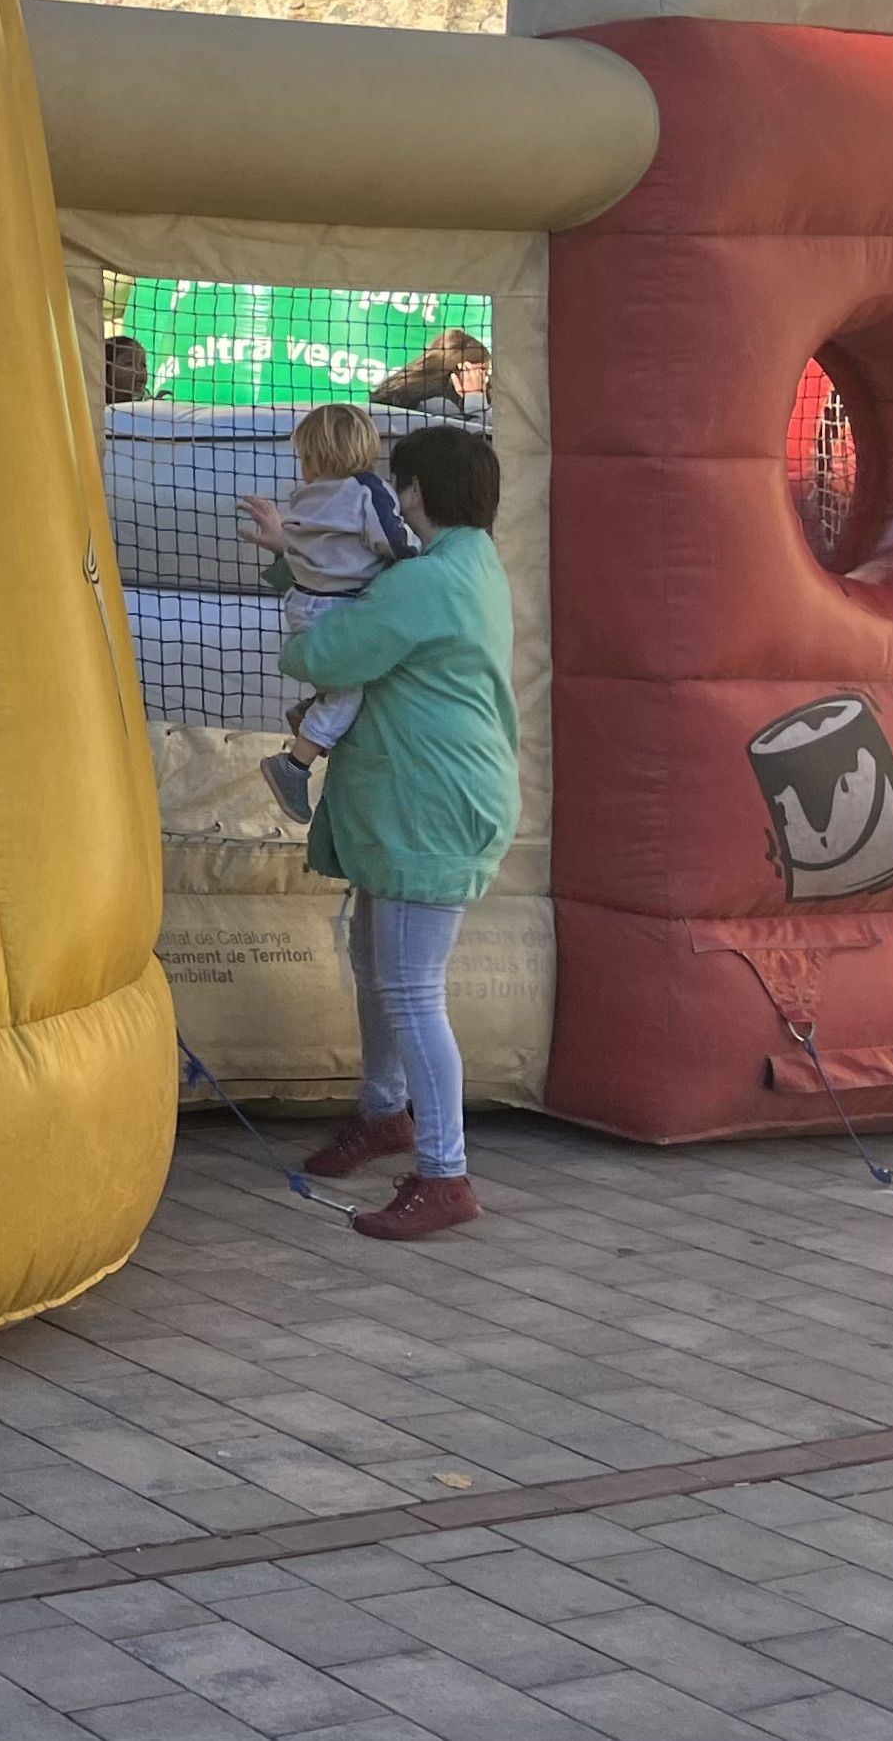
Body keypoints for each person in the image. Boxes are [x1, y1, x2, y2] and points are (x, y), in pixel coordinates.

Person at [275, 425, 519, 1243]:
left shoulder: (422, 584)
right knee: (377, 966)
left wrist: (300, 610)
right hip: (417, 801)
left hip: (430, 806)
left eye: (398, 484)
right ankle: (384, 1117)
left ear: (414, 493)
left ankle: (445, 1174)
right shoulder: (465, 565)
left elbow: (326, 655)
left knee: (412, 992)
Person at [235, 403, 418, 826]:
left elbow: (313, 550)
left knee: (345, 684)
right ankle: (294, 767)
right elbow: (393, 540)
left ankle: (313, 709)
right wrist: (425, 558)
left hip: (303, 605)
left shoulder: (306, 497)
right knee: (356, 689)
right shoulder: (368, 490)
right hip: (341, 608)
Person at [371, 328, 493, 422]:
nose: (485, 381)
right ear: (459, 373)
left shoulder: (401, 383)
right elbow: (480, 436)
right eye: (481, 373)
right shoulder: (440, 405)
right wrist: (474, 397)